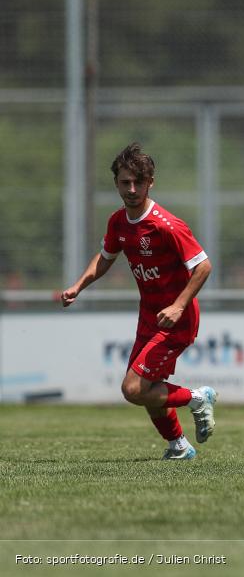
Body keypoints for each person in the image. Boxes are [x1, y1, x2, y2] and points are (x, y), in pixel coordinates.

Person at [61, 143, 217, 461]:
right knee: (147, 388)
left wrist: (178, 306)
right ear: (116, 182)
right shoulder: (118, 222)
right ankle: (178, 446)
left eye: (138, 182)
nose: (131, 189)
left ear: (150, 183)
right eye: (124, 182)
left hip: (177, 319)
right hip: (149, 317)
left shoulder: (165, 225)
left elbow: (203, 266)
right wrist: (79, 285)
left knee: (133, 389)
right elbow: (105, 258)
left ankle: (198, 398)